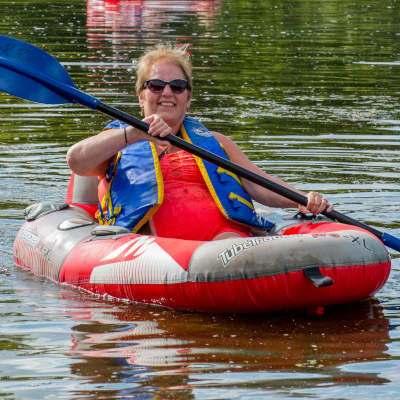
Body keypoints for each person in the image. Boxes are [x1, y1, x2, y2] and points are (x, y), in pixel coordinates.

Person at [66, 43, 333, 241]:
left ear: (188, 99)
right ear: (140, 96)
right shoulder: (117, 141)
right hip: (153, 252)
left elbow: (259, 184)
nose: (167, 93)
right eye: (156, 85)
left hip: (226, 243)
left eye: (178, 86)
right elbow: (77, 161)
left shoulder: (216, 143)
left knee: (231, 246)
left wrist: (301, 199)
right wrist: (135, 133)